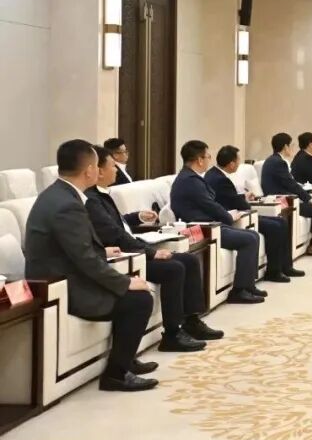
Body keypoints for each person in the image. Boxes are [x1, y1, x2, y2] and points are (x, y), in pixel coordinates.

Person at [23, 140, 157, 391]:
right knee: (139, 300)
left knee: (134, 292)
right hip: (64, 287)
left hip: (67, 274)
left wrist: (102, 252)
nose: (100, 170)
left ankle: (125, 361)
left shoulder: (58, 195)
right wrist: (125, 282)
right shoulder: (66, 205)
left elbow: (72, 247)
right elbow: (84, 259)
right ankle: (116, 375)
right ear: (89, 171)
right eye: (97, 165)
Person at [85, 145, 222, 352]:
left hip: (133, 247)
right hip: (125, 256)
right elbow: (114, 234)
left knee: (189, 260)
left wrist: (136, 216)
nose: (116, 170)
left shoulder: (102, 194)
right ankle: (172, 334)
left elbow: (116, 223)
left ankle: (192, 320)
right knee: (174, 268)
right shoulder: (92, 199)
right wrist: (152, 252)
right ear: (99, 171)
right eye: (112, 166)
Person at [170, 140, 266, 304]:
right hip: (203, 229)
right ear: (199, 160)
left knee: (253, 235)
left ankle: (248, 285)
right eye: (208, 156)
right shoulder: (190, 181)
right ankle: (239, 291)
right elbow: (210, 205)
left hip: (209, 224)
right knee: (249, 239)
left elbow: (209, 204)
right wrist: (228, 217)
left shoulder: (189, 177)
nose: (209, 160)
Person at [207, 145, 304, 282]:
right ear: (231, 163)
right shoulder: (220, 179)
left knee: (281, 222)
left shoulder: (215, 174)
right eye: (238, 160)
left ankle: (285, 266)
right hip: (236, 217)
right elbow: (237, 203)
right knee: (275, 226)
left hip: (237, 212)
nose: (239, 163)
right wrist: (248, 204)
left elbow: (229, 197)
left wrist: (244, 197)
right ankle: (274, 271)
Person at [261, 132, 312, 256]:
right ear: (285, 147)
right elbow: (291, 184)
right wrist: (310, 199)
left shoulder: (273, 160)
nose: (293, 148)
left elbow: (290, 182)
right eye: (291, 145)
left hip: (286, 198)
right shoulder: (278, 163)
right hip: (283, 202)